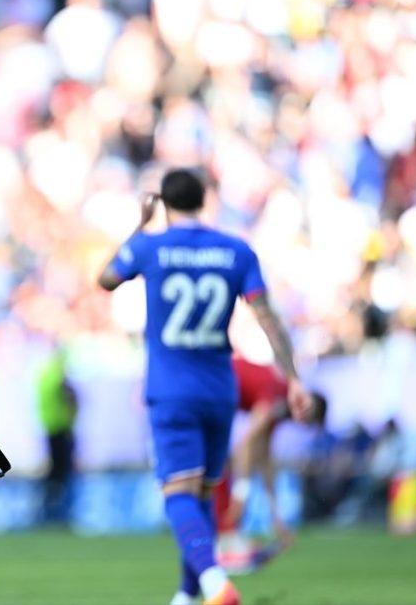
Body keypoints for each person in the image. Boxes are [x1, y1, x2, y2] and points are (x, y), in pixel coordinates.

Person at [98, 168, 313, 605]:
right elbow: (267, 317)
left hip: (170, 388)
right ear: (204, 200)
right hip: (219, 389)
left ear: (164, 202)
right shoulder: (235, 250)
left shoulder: (150, 245)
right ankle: (184, 596)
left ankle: (216, 587)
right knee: (203, 494)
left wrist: (141, 224)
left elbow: (106, 279)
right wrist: (292, 378)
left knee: (178, 493)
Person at [213, 356, 327, 571]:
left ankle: (226, 539)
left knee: (218, 465)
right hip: (212, 385)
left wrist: (276, 517)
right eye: (308, 419)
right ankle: (225, 543)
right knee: (217, 465)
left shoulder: (280, 407)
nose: (302, 424)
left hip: (217, 391)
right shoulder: (276, 395)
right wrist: (241, 495)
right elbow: (245, 446)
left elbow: (265, 460)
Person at [37, 349, 78, 524]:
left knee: (54, 472)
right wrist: (72, 415)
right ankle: (61, 513)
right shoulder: (59, 374)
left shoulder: (44, 375)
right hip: (62, 429)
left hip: (50, 428)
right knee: (62, 473)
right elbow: (71, 396)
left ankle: (49, 510)